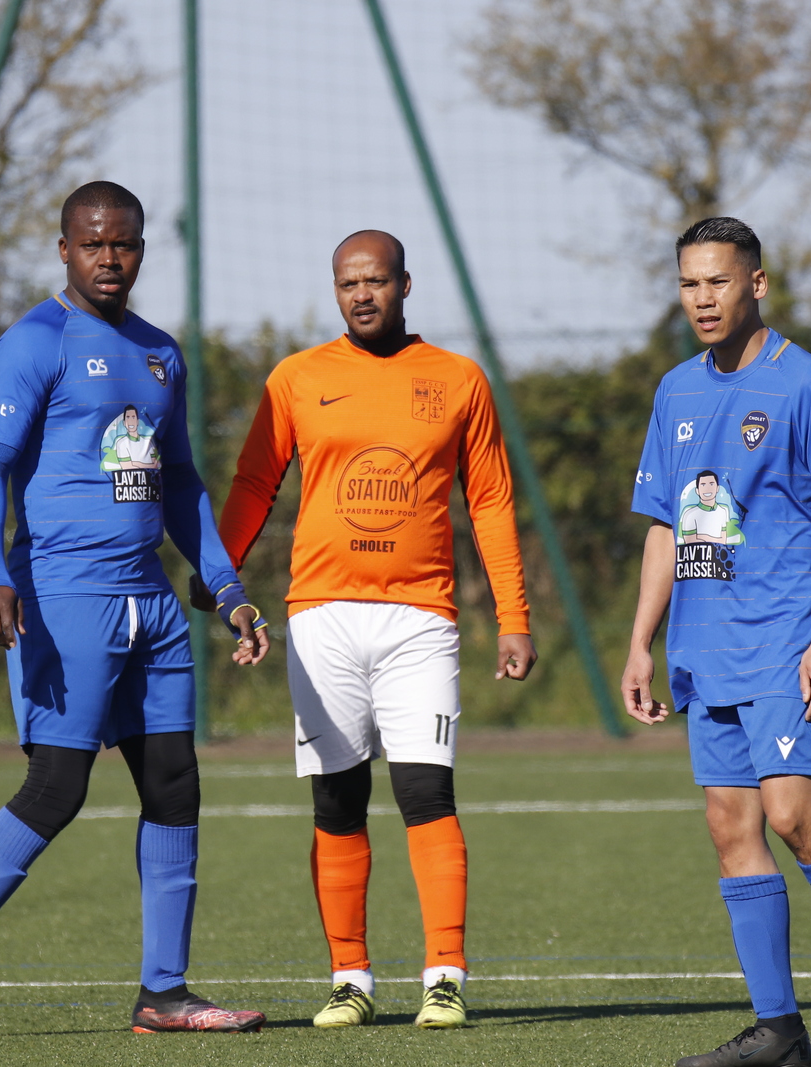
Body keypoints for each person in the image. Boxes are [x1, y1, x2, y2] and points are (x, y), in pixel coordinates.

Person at [0, 181, 270, 1041]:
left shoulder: (161, 353)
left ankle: (164, 992)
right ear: (64, 249)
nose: (108, 257)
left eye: (123, 243)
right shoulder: (34, 342)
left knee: (174, 783)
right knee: (57, 786)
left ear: (141, 250)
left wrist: (228, 588)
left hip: (153, 603)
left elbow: (179, 480)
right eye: (92, 243)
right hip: (64, 596)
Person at [214, 230, 536, 1030]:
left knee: (426, 790)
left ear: (405, 285)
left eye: (377, 281)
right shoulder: (297, 378)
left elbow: (491, 499)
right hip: (321, 616)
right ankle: (349, 979)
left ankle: (445, 976)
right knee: (337, 798)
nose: (363, 294)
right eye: (348, 283)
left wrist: (514, 616)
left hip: (421, 617)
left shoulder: (459, 379)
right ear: (336, 290)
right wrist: (220, 569)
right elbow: (256, 478)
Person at [620, 217, 811, 1067]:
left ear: (757, 284)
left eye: (718, 281)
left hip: (787, 642)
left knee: (793, 815)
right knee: (730, 827)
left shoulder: (805, 384)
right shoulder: (675, 390)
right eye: (689, 283)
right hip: (703, 646)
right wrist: (640, 641)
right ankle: (780, 1031)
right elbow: (664, 525)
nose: (702, 299)